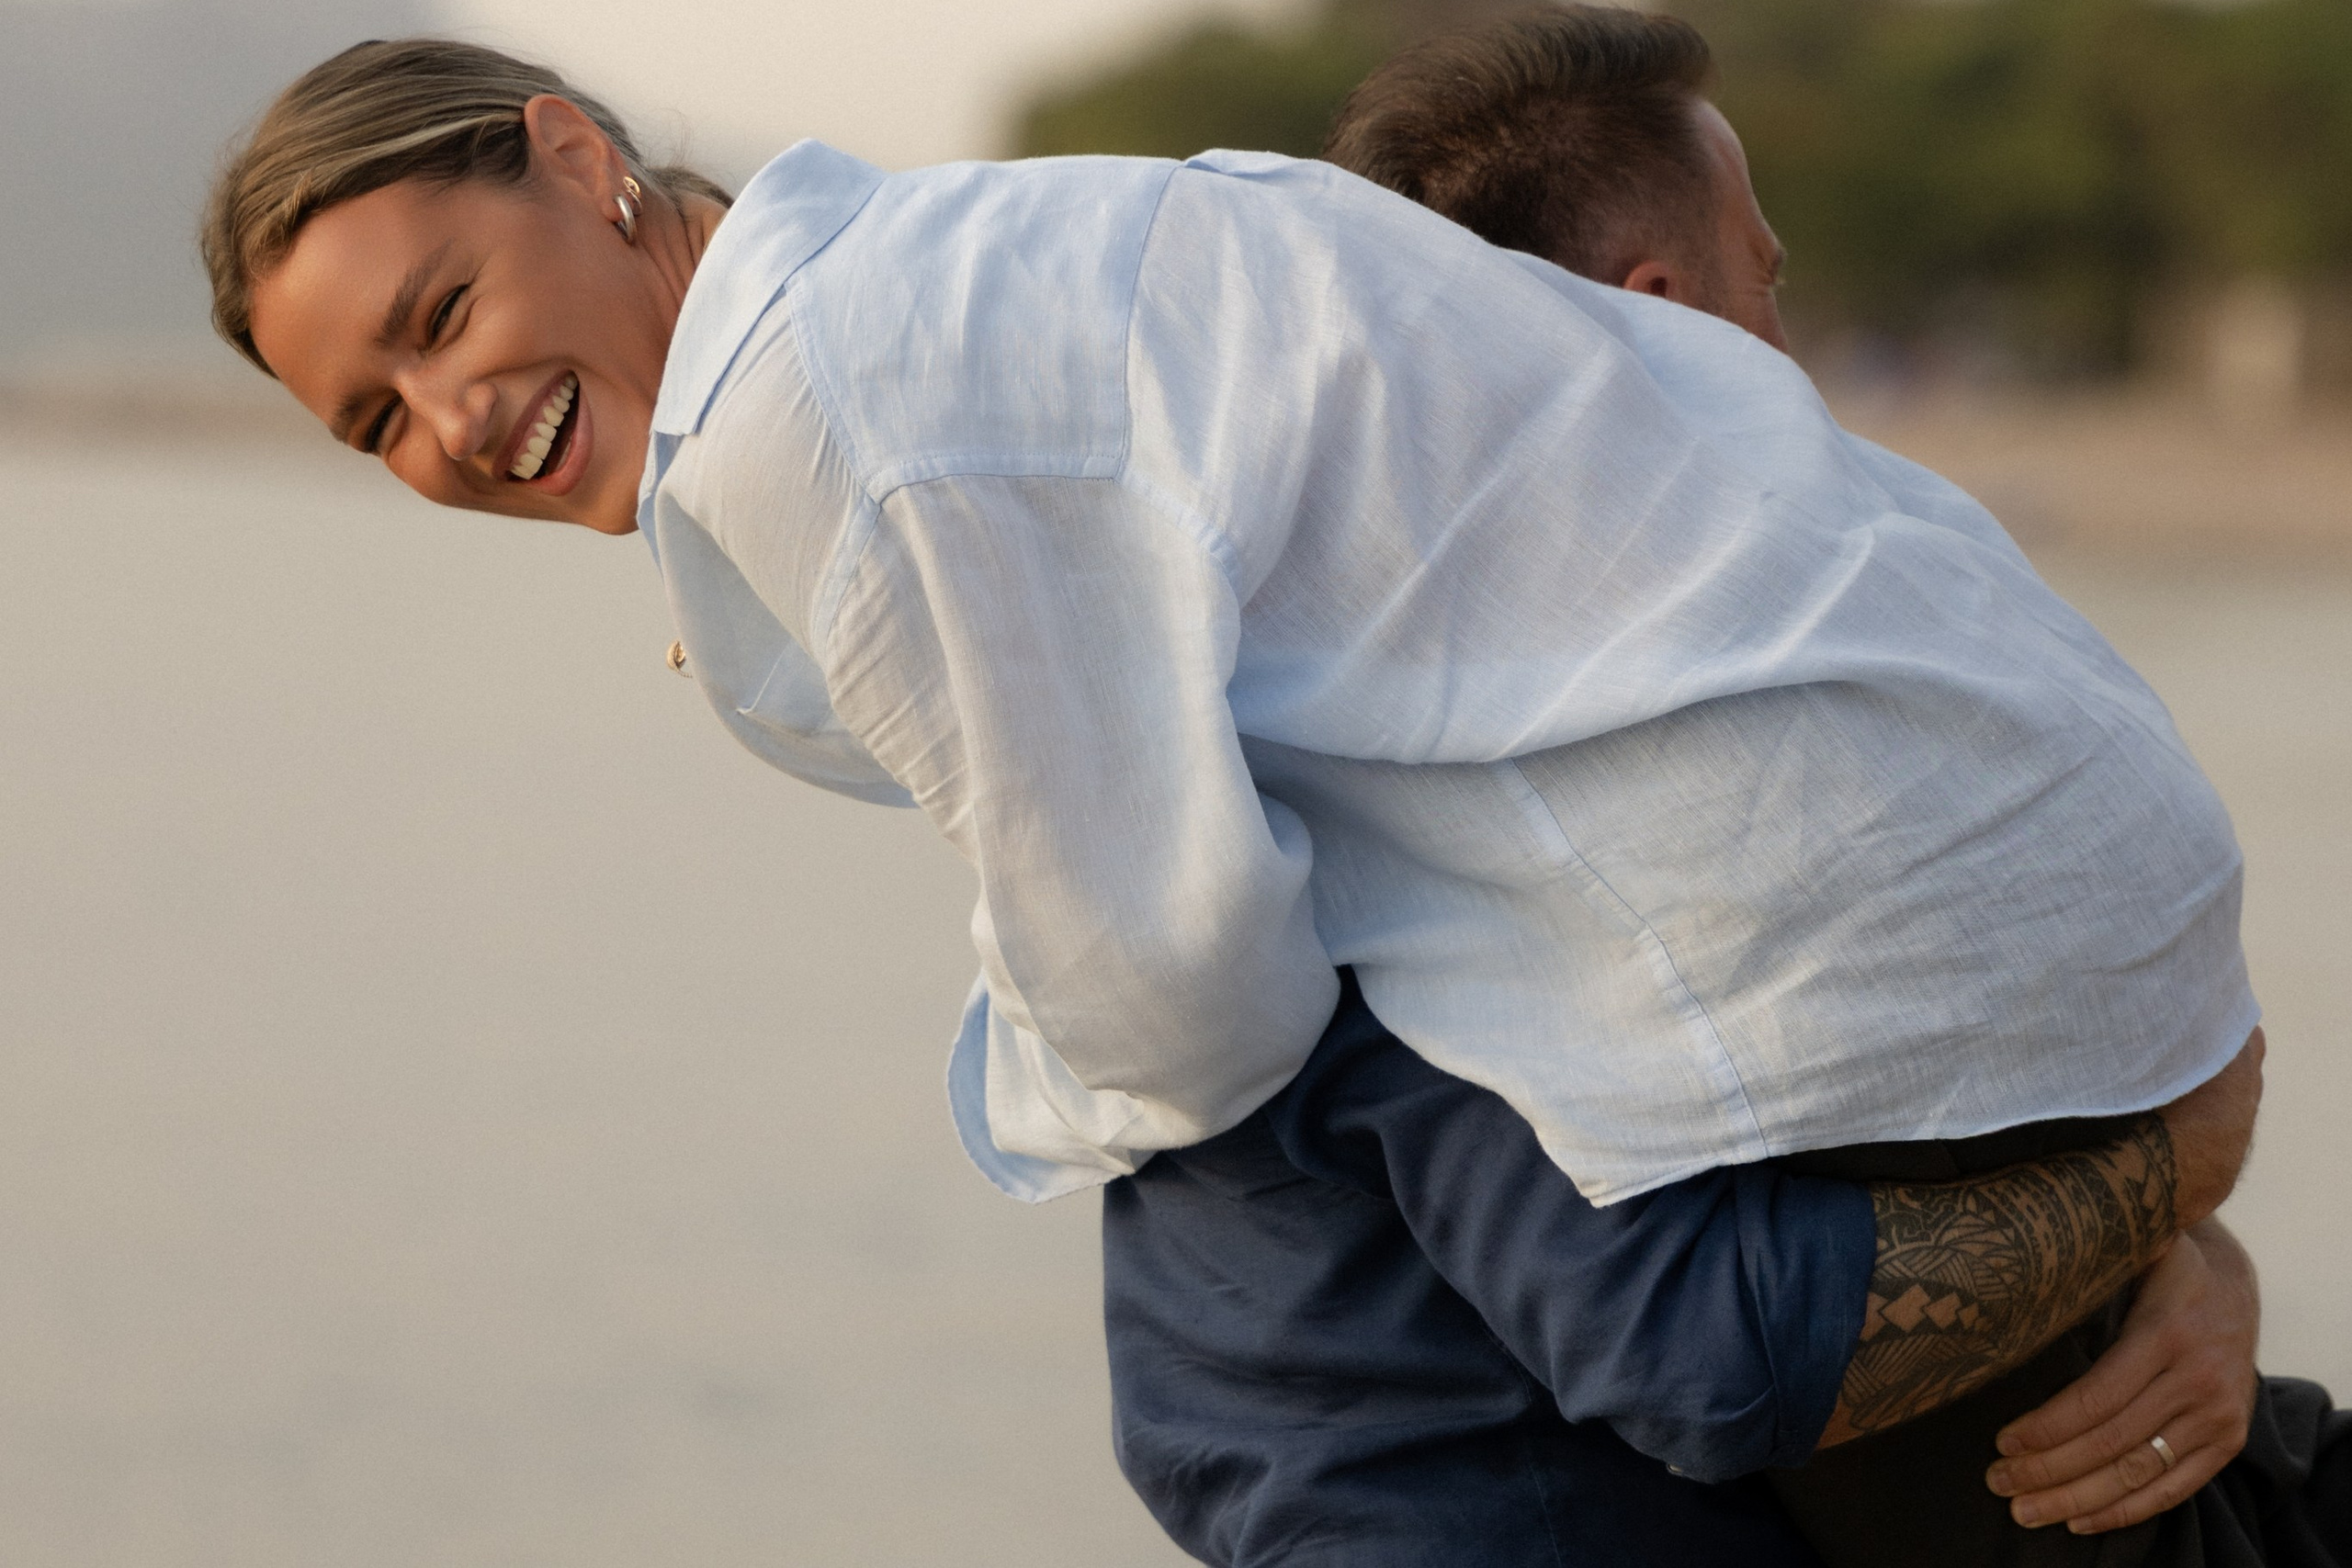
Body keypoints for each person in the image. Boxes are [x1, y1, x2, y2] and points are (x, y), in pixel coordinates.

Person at [198, 38, 2307, 1567]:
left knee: (1232, 1332)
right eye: (376, 418)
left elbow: (1174, 982)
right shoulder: (930, 272)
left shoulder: (816, 397)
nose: (452, 422)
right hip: (2024, 865)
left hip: (1849, 893)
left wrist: (2174, 1155)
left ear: (574, 160)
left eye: (441, 316)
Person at [1321, 7, 2351, 1564]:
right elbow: (1707, 1353)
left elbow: (1967, 1097)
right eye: (1771, 282)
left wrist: (2190, 1252)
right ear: (1664, 310)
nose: (1790, 348)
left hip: (2216, 1476)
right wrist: (2178, 1171)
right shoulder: (1476, 798)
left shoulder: (1711, 684)